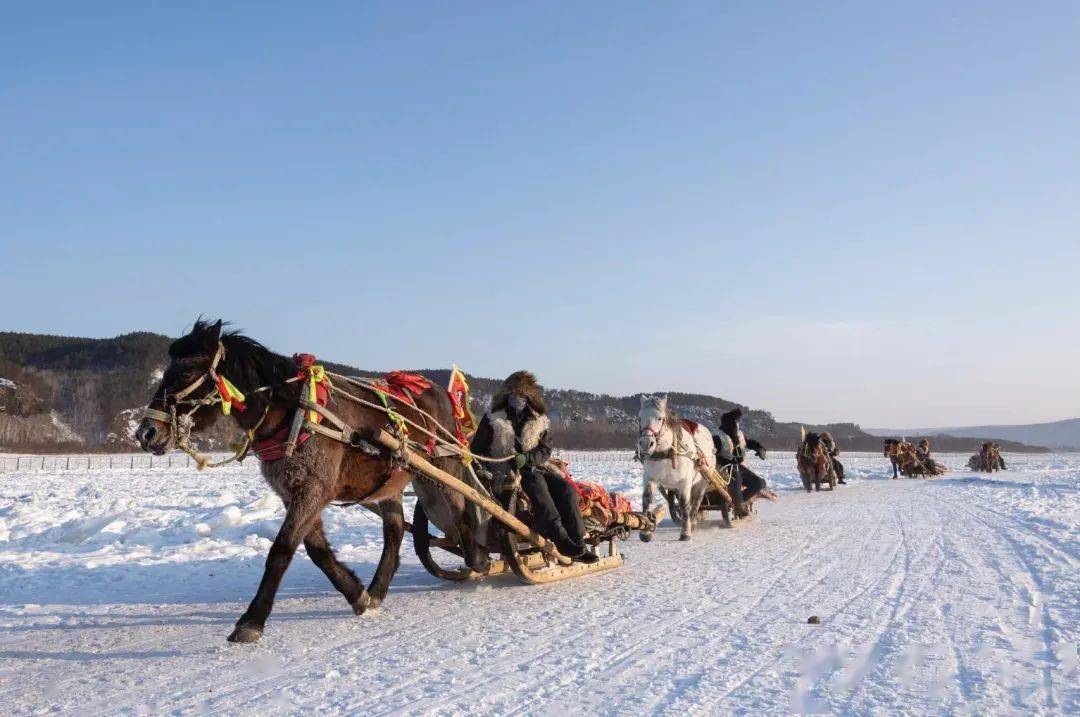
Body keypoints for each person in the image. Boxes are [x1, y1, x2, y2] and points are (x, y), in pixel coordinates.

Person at [470, 371, 597, 563]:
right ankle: (561, 540)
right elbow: (478, 449)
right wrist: (489, 466)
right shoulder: (492, 418)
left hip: (536, 466)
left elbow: (545, 449)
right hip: (505, 471)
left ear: (530, 396)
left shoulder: (539, 419)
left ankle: (578, 542)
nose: (518, 398)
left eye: (522, 394)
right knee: (539, 491)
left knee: (567, 490)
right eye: (514, 394)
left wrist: (528, 457)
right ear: (506, 395)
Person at [715, 408, 777, 517]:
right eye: (736, 422)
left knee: (759, 483)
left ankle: (738, 501)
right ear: (731, 423)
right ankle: (738, 505)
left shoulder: (738, 435)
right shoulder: (718, 437)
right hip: (724, 469)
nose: (737, 424)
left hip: (738, 467)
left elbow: (747, 442)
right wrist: (729, 460)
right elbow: (713, 454)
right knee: (736, 478)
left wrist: (759, 447)